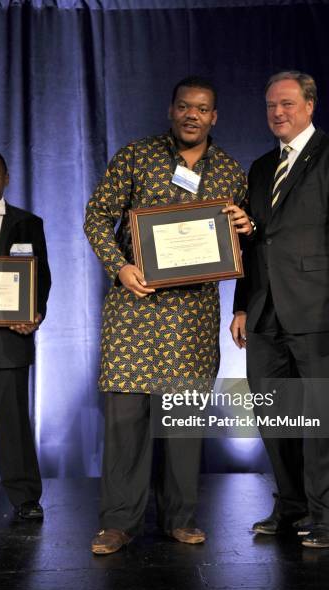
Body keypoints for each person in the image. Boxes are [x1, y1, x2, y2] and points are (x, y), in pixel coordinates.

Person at [84, 76, 252, 554]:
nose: (192, 115)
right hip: (133, 309)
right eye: (184, 106)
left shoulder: (230, 172)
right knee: (126, 422)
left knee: (183, 422)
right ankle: (118, 523)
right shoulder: (136, 155)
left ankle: (180, 518)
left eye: (202, 108)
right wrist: (120, 267)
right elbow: (97, 216)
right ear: (172, 110)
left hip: (192, 318)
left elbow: (248, 245)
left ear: (214, 116)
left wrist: (247, 225)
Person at [231, 71, 329, 548]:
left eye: (289, 104)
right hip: (264, 313)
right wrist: (240, 306)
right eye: (272, 105)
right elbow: (254, 243)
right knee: (274, 418)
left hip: (319, 311)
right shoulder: (258, 168)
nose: (279, 112)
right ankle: (292, 507)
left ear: (310, 106)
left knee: (323, 418)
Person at [0, 150, 51, 519]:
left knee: (14, 423)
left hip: (9, 342)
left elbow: (40, 276)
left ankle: (25, 498)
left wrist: (35, 313)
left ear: (6, 178)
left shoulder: (28, 223)